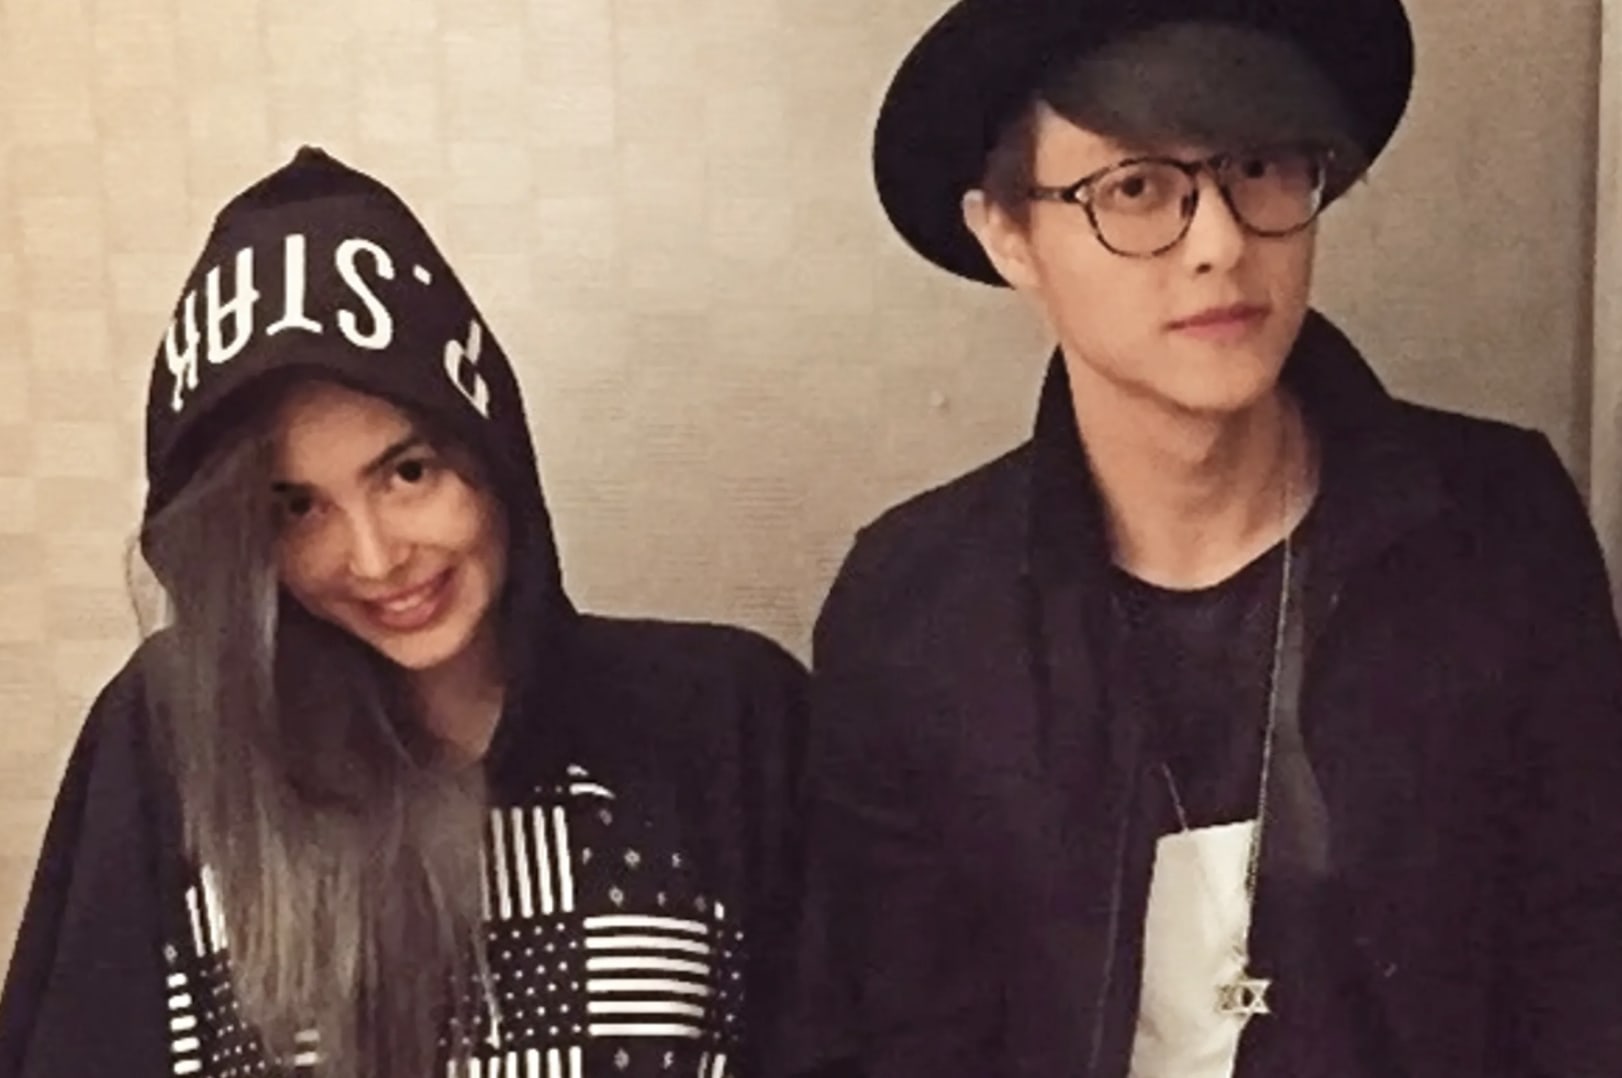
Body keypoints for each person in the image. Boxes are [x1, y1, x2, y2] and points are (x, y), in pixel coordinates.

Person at [784, 1, 1622, 1076]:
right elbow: (901, 1037)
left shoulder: (1496, 527)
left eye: (1260, 169)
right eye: (1135, 189)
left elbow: (1584, 966)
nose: (1220, 244)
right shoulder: (916, 614)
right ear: (1007, 233)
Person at [0, 147, 805, 1078]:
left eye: (408, 473)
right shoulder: (172, 733)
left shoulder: (721, 716)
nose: (377, 559)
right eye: (296, 508)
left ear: (492, 453)